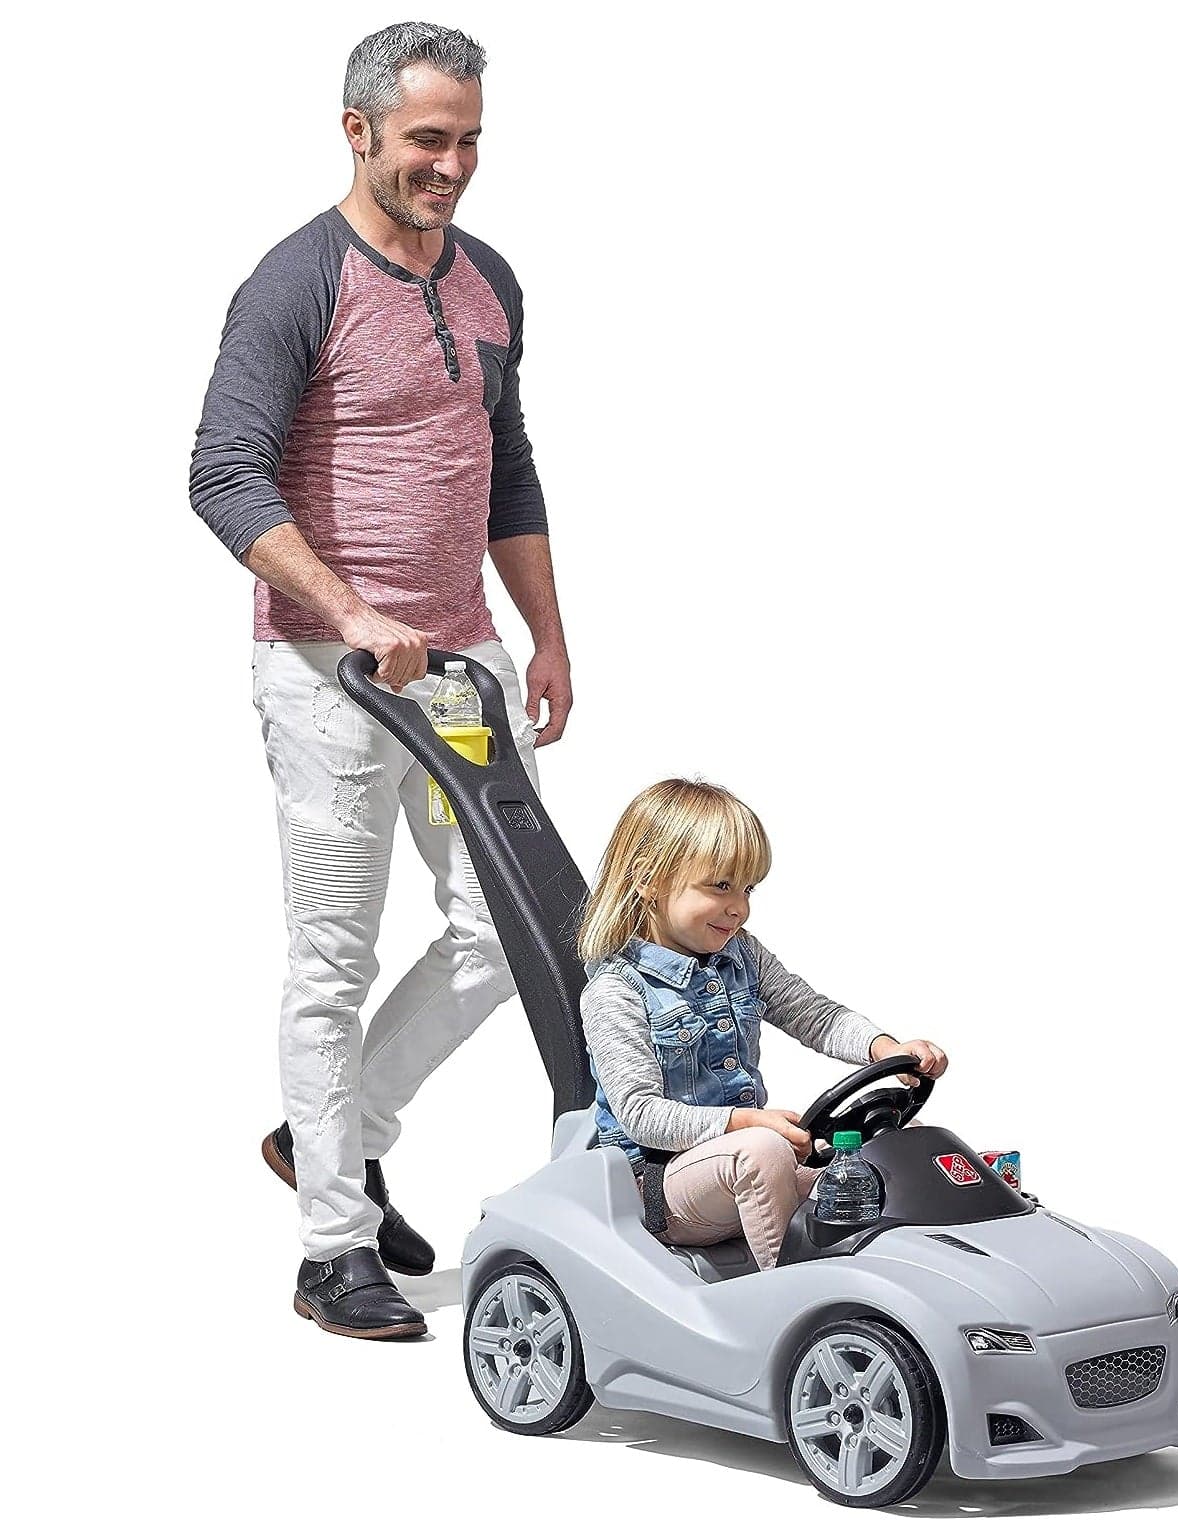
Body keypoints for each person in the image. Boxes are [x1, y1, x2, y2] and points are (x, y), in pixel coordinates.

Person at [189, 22, 572, 1340]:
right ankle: (331, 1247)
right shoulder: (295, 283)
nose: (450, 165)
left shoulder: (490, 280)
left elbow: (505, 464)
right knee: (331, 959)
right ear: (356, 132)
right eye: (426, 140)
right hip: (325, 668)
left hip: (461, 662)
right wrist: (351, 611)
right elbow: (222, 474)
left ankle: (335, 1135)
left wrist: (547, 634)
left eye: (468, 140)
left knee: (511, 931)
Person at [578, 780, 948, 1271]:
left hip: (746, 1163)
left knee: (898, 1140)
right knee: (762, 1150)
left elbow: (814, 1014)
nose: (740, 907)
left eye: (747, 889)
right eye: (721, 886)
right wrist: (744, 1121)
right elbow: (641, 1114)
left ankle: (917, 1275)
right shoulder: (616, 991)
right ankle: (797, 1292)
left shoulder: (742, 955)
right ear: (649, 879)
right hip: (660, 1184)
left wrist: (884, 1047)